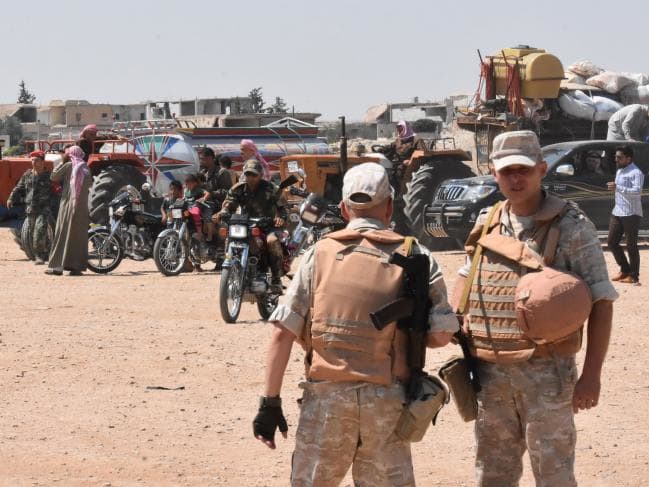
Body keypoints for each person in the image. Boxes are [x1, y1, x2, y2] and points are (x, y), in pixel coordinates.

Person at [252, 162, 458, 486]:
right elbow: (442, 335)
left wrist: (270, 403)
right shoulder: (416, 255)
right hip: (388, 402)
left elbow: (282, 333)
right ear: (390, 206)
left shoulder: (317, 254)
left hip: (326, 404)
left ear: (345, 209)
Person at [448, 131, 618, 487]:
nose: (515, 179)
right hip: (491, 376)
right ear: (492, 171)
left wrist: (592, 376)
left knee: (554, 476)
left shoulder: (571, 226)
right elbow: (467, 274)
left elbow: (602, 301)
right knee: (493, 475)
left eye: (524, 170)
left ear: (542, 169)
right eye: (507, 170)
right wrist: (455, 316)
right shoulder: (488, 221)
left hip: (548, 375)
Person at [217, 159, 287, 292]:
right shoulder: (238, 189)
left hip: (268, 225)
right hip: (246, 224)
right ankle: (233, 266)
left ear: (260, 175)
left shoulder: (271, 189)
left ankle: (276, 278)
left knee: (272, 241)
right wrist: (223, 212)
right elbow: (228, 203)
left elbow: (283, 208)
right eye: (248, 174)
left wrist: (280, 217)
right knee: (229, 237)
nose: (251, 178)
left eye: (254, 175)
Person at [46, 146, 92, 276]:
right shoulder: (85, 168)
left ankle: (57, 267)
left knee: (62, 234)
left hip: (68, 206)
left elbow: (53, 177)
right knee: (78, 238)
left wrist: (60, 162)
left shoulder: (68, 166)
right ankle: (76, 268)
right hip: (81, 208)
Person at [7, 150, 57, 264]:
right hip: (31, 208)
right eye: (33, 160)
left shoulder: (49, 176)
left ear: (42, 162)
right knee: (32, 231)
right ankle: (39, 253)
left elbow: (57, 191)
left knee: (39, 230)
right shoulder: (27, 174)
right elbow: (19, 188)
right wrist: (11, 198)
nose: (34, 162)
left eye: (37, 160)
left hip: (44, 208)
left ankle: (40, 256)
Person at [606, 145, 645, 285]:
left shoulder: (636, 172)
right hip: (618, 211)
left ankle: (634, 276)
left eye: (619, 157)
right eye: (616, 157)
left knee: (631, 245)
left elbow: (636, 191)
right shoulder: (620, 171)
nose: (616, 160)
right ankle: (625, 270)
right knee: (611, 242)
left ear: (628, 158)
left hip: (631, 213)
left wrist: (618, 187)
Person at [184, 174, 211, 271]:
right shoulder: (186, 191)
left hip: (195, 210)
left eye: (189, 183)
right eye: (186, 183)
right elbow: (184, 199)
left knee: (195, 242)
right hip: (187, 214)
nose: (187, 185)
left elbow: (207, 193)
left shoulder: (198, 190)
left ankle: (199, 232)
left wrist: (203, 198)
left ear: (195, 183)